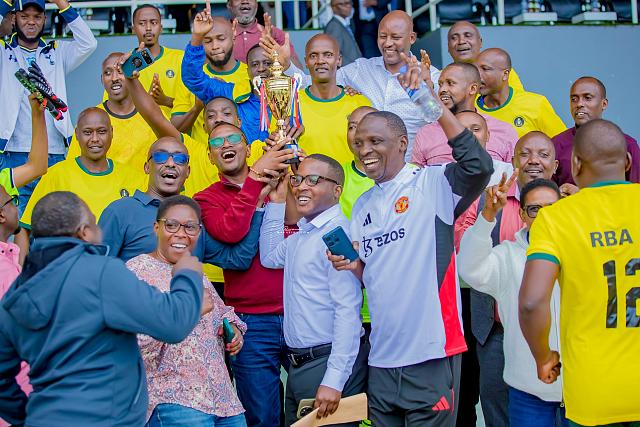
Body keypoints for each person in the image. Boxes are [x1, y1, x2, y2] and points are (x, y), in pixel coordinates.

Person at [330, 102, 494, 425]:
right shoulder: (362, 205)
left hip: (431, 352)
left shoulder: (432, 183)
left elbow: (479, 166)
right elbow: (373, 275)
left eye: (375, 141)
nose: (364, 150)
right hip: (382, 358)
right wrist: (353, 266)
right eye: (359, 142)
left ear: (402, 143)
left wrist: (434, 107)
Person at [0, 191, 204, 426]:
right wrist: (187, 274)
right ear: (84, 231)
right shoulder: (101, 273)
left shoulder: (16, 293)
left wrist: (31, 416)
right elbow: (174, 323)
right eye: (95, 223)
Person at [520, 119, 640, 427]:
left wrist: (544, 357)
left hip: (593, 391)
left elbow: (532, 302)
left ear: (574, 164)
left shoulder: (555, 218)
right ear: (627, 161)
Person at [454, 130, 558, 427]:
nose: (534, 160)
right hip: (496, 329)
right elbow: (470, 263)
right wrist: (487, 215)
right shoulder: (490, 200)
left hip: (557, 335)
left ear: (555, 165)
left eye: (543, 154)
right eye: (525, 154)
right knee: (498, 410)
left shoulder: (572, 206)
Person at [194, 122, 294, 427]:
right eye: (217, 143)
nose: (226, 145)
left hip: (300, 312)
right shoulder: (205, 199)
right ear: (210, 157)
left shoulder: (284, 180)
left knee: (311, 411)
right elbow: (231, 231)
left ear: (248, 148)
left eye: (233, 138)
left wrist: (291, 163)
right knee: (261, 418)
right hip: (251, 322)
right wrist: (255, 181)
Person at [260, 154, 367, 426]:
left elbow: (347, 312)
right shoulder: (303, 236)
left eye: (313, 180)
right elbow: (270, 257)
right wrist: (277, 201)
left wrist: (334, 380)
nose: (301, 187)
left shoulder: (337, 236)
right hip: (300, 365)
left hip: (326, 363)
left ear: (337, 190)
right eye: (297, 179)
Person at [127, 195, 247, 427]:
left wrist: (233, 329)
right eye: (172, 225)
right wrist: (187, 311)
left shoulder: (194, 270)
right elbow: (132, 342)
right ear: (156, 228)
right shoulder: (136, 272)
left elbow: (221, 312)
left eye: (190, 227)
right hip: (175, 400)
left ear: (199, 232)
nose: (181, 234)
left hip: (223, 399)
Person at [266, 10, 441, 160]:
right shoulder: (361, 69)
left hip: (411, 171)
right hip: (369, 174)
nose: (387, 43)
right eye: (382, 36)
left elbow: (439, 119)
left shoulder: (431, 76)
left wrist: (427, 90)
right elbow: (316, 81)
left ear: (412, 38)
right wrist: (286, 65)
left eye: (395, 37)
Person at [0, 0, 97, 212]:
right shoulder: (3, 52)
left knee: (54, 218)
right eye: (24, 16)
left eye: (37, 16)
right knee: (16, 220)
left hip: (54, 151)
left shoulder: (56, 51)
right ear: (14, 18)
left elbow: (88, 43)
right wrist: (5, 3)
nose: (31, 22)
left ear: (45, 19)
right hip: (13, 152)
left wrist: (62, 4)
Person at [20, 108, 147, 231]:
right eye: (87, 132)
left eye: (102, 131)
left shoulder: (133, 177)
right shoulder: (56, 175)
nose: (95, 139)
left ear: (111, 132)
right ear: (77, 134)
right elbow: (26, 227)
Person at [183, 7, 278, 145]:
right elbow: (193, 78)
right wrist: (197, 38)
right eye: (255, 64)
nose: (261, 68)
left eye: (267, 63)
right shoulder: (229, 92)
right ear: (247, 70)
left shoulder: (291, 95)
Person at [284, 33, 371, 165]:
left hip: (352, 179)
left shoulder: (359, 103)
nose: (320, 61)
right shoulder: (291, 103)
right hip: (307, 178)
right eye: (313, 56)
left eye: (328, 55)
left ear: (339, 60)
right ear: (306, 62)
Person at [412, 62, 517, 166]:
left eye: (450, 83)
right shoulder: (425, 133)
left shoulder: (504, 130)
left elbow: (515, 174)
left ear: (472, 89)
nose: (442, 89)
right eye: (440, 84)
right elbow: (416, 175)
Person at [68, 52, 158, 172]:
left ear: (132, 73)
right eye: (108, 73)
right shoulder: (89, 121)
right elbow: (73, 168)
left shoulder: (150, 116)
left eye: (120, 71)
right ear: (102, 80)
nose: (114, 78)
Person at [172, 16, 252, 144]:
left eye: (221, 39)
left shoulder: (251, 75)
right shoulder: (190, 80)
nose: (215, 46)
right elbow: (175, 130)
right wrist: (197, 108)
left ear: (233, 34)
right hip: (201, 155)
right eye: (208, 41)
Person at [552, 76, 640, 190]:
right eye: (574, 99)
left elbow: (635, 193)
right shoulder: (556, 144)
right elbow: (546, 193)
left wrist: (581, 196)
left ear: (604, 104)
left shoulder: (627, 144)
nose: (579, 104)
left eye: (587, 98)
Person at [475, 48, 566, 138]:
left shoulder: (536, 104)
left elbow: (563, 143)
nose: (477, 75)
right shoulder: (471, 107)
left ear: (505, 74)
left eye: (485, 69)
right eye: (476, 69)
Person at [128, 4, 189, 118]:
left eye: (154, 22)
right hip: (138, 129)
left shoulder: (181, 59)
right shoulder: (126, 64)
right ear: (133, 29)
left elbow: (194, 104)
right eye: (142, 23)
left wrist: (165, 100)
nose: (148, 28)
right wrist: (147, 101)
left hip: (174, 128)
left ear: (161, 28)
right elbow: (116, 108)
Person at [447, 21, 523, 91]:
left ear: (480, 42)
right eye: (454, 38)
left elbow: (517, 99)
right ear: (448, 47)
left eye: (468, 36)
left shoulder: (500, 71)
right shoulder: (442, 77)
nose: (461, 41)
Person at [227, 0, 302, 67]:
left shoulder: (274, 34)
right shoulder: (222, 33)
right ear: (229, 5)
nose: (245, 1)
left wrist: (282, 58)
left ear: (256, 4)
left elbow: (298, 71)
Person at [340, 105, 376, 219]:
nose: (358, 132)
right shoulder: (336, 177)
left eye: (367, 125)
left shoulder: (407, 174)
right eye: (352, 127)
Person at [324, 0, 362, 66]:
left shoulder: (346, 24)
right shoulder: (334, 26)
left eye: (349, 2)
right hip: (348, 70)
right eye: (343, 4)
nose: (348, 6)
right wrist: (352, 68)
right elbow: (333, 54)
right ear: (333, 7)